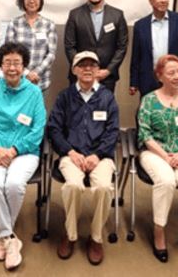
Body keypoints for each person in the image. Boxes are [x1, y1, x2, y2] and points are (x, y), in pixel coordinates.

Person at [0, 42, 45, 271]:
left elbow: (37, 130)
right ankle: (10, 238)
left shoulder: (34, 93)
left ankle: (1, 236)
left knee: (14, 184)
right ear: (0, 66)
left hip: (24, 152)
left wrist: (13, 150)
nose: (12, 68)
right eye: (7, 63)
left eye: (17, 63)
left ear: (24, 65)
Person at [48, 51, 119, 266]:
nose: (87, 69)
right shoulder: (64, 97)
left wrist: (98, 155)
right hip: (72, 155)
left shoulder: (107, 98)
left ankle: (96, 237)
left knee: (104, 188)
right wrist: (70, 152)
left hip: (101, 156)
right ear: (74, 70)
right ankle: (70, 235)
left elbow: (113, 131)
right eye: (82, 65)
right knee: (73, 186)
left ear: (98, 71)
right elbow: (54, 129)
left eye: (92, 65)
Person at [137, 54, 178, 263]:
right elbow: (145, 135)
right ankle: (159, 232)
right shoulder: (149, 100)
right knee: (165, 182)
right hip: (155, 152)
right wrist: (166, 157)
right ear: (160, 76)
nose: (176, 76)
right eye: (171, 73)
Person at [64, 0, 128, 91]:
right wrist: (82, 70)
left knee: (104, 109)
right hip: (80, 77)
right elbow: (69, 47)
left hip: (106, 79)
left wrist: (108, 70)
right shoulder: (75, 15)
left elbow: (122, 47)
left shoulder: (117, 15)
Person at [130, 0, 178, 97]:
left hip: (173, 78)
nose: (163, 0)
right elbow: (136, 57)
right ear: (151, 1)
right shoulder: (140, 25)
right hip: (148, 79)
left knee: (172, 111)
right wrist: (133, 82)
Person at [4, 0, 57, 92]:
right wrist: (27, 73)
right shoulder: (14, 23)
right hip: (17, 79)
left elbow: (51, 54)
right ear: (22, 1)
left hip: (40, 81)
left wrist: (36, 73)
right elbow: (9, 52)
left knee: (37, 109)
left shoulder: (49, 25)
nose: (32, 1)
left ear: (40, 1)